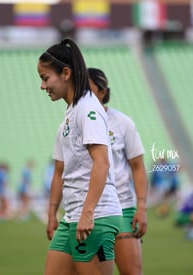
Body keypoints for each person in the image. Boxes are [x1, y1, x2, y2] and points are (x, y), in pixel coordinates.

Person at [37, 38, 122, 275]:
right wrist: (53, 213)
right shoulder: (72, 111)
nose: (43, 86)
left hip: (97, 215)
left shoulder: (88, 109)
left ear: (65, 73)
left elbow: (102, 162)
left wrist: (88, 213)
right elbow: (61, 170)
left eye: (45, 78)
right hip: (72, 216)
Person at [88, 67, 147, 275]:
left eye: (88, 88)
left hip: (122, 206)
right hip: (88, 211)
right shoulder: (74, 122)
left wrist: (141, 207)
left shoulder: (123, 123)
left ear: (102, 92)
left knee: (131, 271)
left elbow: (138, 167)